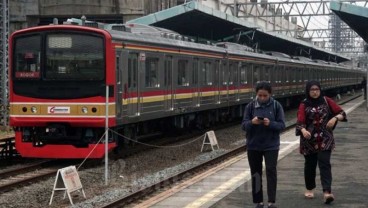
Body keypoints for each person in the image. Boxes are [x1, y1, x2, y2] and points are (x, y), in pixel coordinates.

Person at [295, 80, 347, 204]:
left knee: (325, 164)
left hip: (325, 138)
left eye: (316, 89)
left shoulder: (326, 101)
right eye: (312, 90)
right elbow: (300, 121)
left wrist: (334, 118)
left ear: (320, 90)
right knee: (310, 165)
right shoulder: (304, 104)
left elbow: (342, 113)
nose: (314, 92)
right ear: (308, 91)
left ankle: (327, 192)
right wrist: (302, 130)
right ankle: (309, 188)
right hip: (309, 140)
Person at [242, 81, 285, 208]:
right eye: (259, 95)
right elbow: (244, 125)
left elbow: (282, 125)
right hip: (253, 145)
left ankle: (271, 201)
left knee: (271, 171)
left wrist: (270, 123)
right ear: (256, 94)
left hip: (271, 145)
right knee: (255, 172)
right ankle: (258, 202)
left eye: (265, 96)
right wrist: (252, 122)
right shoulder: (250, 107)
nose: (262, 98)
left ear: (270, 94)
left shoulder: (277, 106)